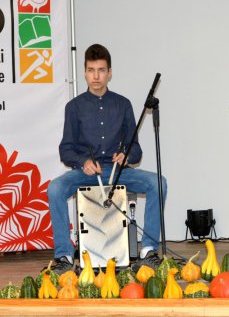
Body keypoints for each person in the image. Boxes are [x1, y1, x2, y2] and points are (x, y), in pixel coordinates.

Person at [47, 44, 167, 274]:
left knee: (158, 183)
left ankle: (149, 251)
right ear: (84, 71)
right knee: (55, 189)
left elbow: (137, 150)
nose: (96, 76)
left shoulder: (123, 105)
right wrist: (83, 162)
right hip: (86, 173)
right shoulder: (74, 107)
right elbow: (66, 149)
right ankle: (63, 256)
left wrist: (127, 156)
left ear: (109, 72)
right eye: (91, 70)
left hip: (117, 171)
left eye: (101, 70)